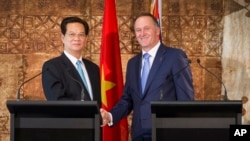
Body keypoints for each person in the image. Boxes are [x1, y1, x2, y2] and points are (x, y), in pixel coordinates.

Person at [100, 13, 194, 141]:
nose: (142, 33)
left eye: (146, 28)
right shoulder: (132, 63)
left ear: (157, 30)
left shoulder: (174, 56)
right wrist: (110, 116)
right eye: (138, 30)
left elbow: (185, 100)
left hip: (166, 133)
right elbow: (127, 99)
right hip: (138, 134)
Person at [42, 16, 101, 105]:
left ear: (86, 38)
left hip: (95, 119)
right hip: (69, 119)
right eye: (72, 34)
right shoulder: (52, 67)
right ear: (63, 38)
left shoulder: (93, 68)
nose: (77, 39)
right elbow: (57, 100)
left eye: (81, 34)